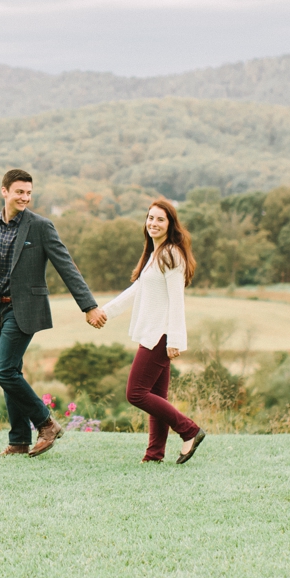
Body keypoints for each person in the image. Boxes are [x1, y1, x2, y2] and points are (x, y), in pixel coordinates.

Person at [0, 169, 104, 457]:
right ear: (4, 191)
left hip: (25, 309)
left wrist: (89, 306)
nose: (25, 197)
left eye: (28, 193)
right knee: (12, 372)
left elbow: (66, 265)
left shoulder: (41, 226)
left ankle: (46, 423)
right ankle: (18, 441)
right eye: (19, 192)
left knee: (2, 370)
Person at [96, 197, 206, 464]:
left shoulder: (171, 255)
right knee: (156, 397)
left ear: (170, 224)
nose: (153, 223)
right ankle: (154, 454)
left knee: (136, 393)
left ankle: (189, 430)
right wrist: (105, 312)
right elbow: (137, 290)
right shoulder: (156, 254)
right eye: (150, 218)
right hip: (153, 333)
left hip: (161, 335)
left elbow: (177, 300)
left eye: (160, 219)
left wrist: (176, 339)